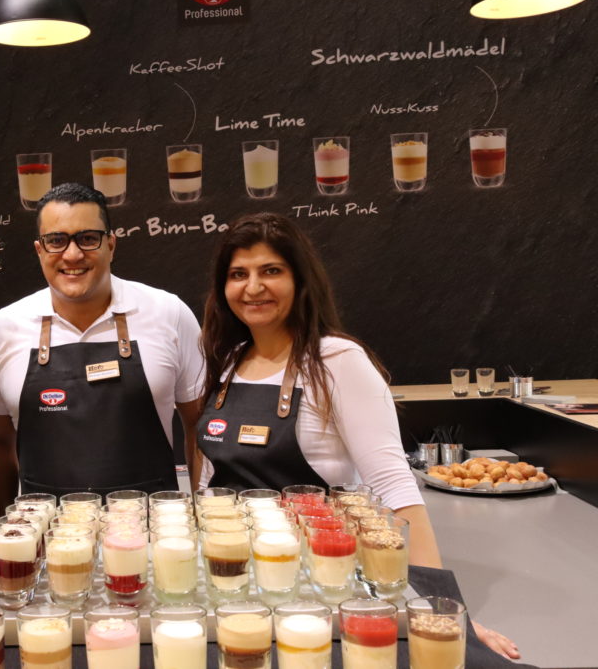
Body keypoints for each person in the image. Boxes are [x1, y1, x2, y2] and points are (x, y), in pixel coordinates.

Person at [194, 212, 519, 659]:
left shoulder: (336, 360)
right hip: (232, 583)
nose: (253, 287)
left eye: (271, 271)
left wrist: (437, 607)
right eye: (238, 274)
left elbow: (393, 485)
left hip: (320, 586)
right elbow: (210, 479)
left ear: (300, 280)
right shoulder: (227, 362)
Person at [0, 182, 205, 504]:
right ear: (39, 250)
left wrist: (201, 511)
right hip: (48, 540)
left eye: (88, 239)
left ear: (111, 245)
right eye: (56, 240)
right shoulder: (3, 328)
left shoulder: (169, 313)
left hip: (155, 539)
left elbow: (199, 428)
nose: (72, 254)